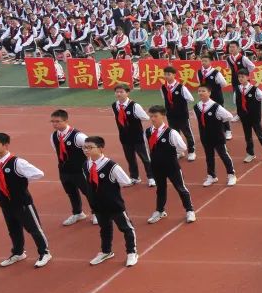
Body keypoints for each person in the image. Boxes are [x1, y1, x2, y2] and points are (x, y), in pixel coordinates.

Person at [0, 132, 51, 268]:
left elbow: (38, 173)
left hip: (22, 203)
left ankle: (44, 252)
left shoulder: (17, 162)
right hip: (5, 203)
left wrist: (21, 182)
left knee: (34, 229)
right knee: (13, 229)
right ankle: (18, 252)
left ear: (5, 145)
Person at [82, 136, 138, 267]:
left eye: (90, 147)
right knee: (105, 228)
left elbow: (126, 182)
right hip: (97, 205)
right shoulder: (86, 165)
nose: (86, 150)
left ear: (100, 148)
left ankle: (132, 252)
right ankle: (106, 251)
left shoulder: (112, 166)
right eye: (85, 147)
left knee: (126, 228)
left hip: (114, 205)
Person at [143, 106, 196, 224]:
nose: (153, 119)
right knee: (160, 189)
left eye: (155, 116)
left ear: (163, 116)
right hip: (156, 166)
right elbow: (147, 147)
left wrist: (170, 154)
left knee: (180, 188)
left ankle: (189, 210)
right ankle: (160, 211)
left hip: (171, 166)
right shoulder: (147, 132)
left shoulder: (171, 133)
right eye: (151, 116)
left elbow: (182, 147)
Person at [48, 109, 93, 226]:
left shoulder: (78, 136)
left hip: (79, 170)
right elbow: (57, 151)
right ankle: (78, 213)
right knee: (71, 192)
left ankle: (97, 213)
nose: (54, 124)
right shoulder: (53, 136)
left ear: (66, 121)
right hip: (64, 170)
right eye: (52, 121)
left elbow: (92, 149)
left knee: (88, 192)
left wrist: (89, 166)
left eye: (57, 121)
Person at [193, 85, 240, 187]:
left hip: (217, 136)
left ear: (209, 93)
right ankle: (211, 176)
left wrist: (218, 122)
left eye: (203, 91)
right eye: (199, 91)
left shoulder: (216, 106)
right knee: (209, 157)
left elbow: (229, 116)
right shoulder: (196, 107)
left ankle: (231, 175)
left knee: (223, 155)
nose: (201, 93)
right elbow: (198, 120)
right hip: (205, 136)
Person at [111, 84, 153, 186]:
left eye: (121, 92)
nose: (119, 94)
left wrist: (134, 119)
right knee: (130, 158)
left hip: (137, 136)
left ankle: (151, 177)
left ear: (127, 93)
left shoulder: (135, 106)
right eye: (117, 92)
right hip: (124, 137)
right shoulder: (114, 105)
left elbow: (145, 117)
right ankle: (135, 177)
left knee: (145, 158)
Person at [234, 69, 262, 164]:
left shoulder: (255, 89)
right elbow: (236, 102)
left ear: (248, 77)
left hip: (254, 117)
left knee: (260, 135)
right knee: (248, 136)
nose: (241, 78)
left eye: (243, 77)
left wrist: (256, 102)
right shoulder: (237, 90)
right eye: (239, 77)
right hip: (244, 117)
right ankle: (250, 153)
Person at [160, 67, 196, 162]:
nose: (166, 76)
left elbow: (191, 99)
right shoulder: (163, 87)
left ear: (174, 75)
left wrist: (181, 104)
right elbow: (165, 98)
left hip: (182, 115)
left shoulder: (181, 87)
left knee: (187, 133)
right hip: (171, 115)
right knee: (175, 134)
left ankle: (191, 151)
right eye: (165, 74)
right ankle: (180, 151)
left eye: (169, 74)